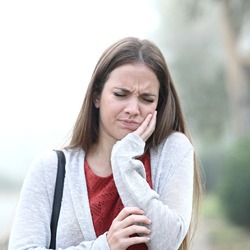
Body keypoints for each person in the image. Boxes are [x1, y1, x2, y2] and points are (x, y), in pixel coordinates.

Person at [8, 37, 203, 250]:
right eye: (121, 94)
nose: (133, 109)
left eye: (146, 99)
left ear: (159, 104)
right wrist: (105, 246)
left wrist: (123, 160)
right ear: (97, 97)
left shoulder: (172, 151)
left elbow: (167, 242)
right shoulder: (50, 169)